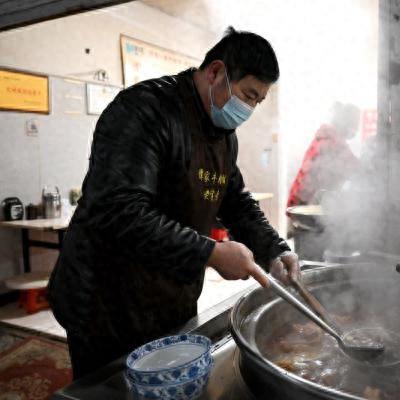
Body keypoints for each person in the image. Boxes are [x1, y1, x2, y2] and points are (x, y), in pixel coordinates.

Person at [48, 27, 299, 379]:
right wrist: (210, 253)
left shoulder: (222, 135)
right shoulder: (144, 109)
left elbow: (236, 202)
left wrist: (275, 250)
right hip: (105, 300)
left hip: (167, 298)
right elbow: (120, 210)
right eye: (247, 95)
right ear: (215, 72)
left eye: (257, 102)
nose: (249, 109)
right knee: (108, 388)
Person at [287, 102, 361, 207]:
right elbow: (356, 170)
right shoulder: (333, 142)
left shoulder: (327, 135)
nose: (356, 130)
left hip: (299, 199)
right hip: (304, 204)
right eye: (354, 125)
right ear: (345, 123)